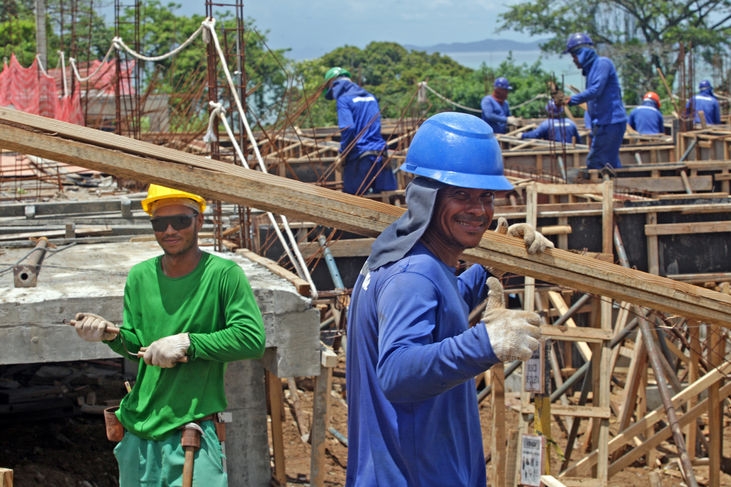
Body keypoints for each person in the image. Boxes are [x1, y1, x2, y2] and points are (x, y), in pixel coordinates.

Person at [345, 112, 553, 486]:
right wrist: (486, 341)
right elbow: (396, 371)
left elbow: (437, 307)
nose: (478, 210)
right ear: (427, 197)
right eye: (460, 195)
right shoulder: (413, 276)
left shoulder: (400, 255)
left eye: (486, 196)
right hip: (415, 475)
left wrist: (489, 270)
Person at [70, 184, 266, 487]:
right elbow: (139, 344)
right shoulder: (140, 277)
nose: (170, 230)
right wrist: (108, 334)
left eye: (181, 221)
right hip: (139, 429)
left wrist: (189, 342)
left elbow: (251, 339)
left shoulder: (223, 275)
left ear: (199, 221)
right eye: (160, 223)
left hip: (190, 429)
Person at [324, 66, 398, 195]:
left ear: (332, 83)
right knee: (386, 201)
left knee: (353, 202)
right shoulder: (370, 97)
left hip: (360, 158)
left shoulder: (344, 99)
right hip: (381, 155)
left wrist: (343, 154)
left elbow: (348, 128)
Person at [563, 32, 627, 169]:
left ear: (582, 53)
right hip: (603, 123)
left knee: (597, 163)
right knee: (609, 162)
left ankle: (614, 188)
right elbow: (594, 102)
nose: (573, 60)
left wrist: (571, 100)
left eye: (574, 56)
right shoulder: (591, 70)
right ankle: (622, 187)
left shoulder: (603, 64)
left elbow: (596, 90)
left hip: (611, 122)